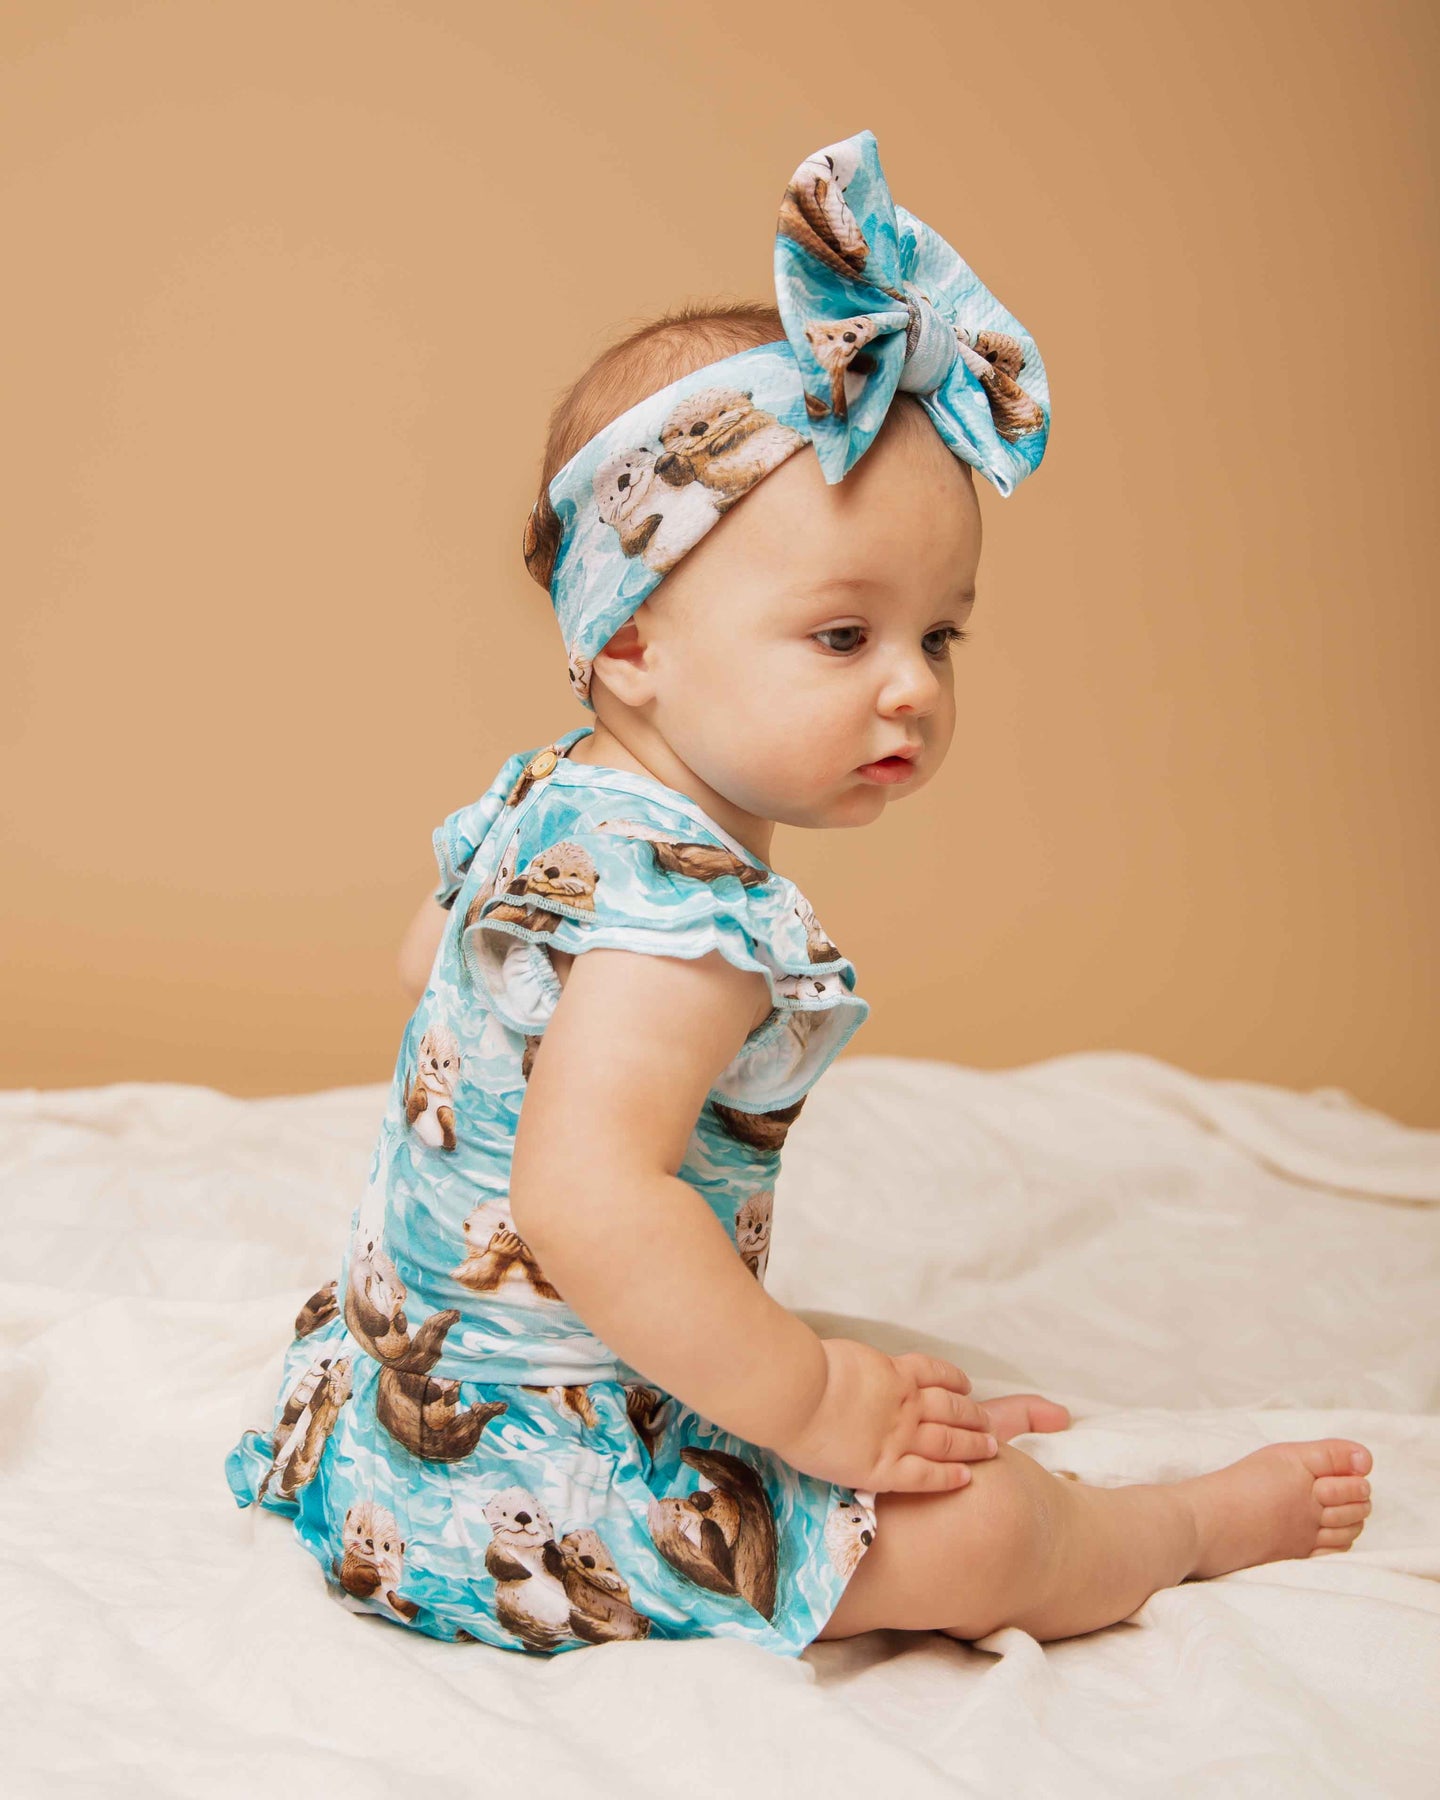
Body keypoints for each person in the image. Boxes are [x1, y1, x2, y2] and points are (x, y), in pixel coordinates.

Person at [225, 131, 1372, 1657]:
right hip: (529, 1497)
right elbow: (583, 1201)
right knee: (990, 1532)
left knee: (845, 1378)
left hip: (393, 1397)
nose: (912, 689)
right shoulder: (685, 923)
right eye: (844, 637)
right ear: (631, 641)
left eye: (939, 637)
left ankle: (784, 1401)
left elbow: (426, 959)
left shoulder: (545, 797)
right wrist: (817, 1405)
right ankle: (1173, 1530)